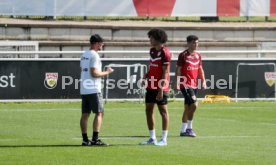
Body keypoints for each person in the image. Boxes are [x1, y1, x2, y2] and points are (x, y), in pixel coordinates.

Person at [80, 34, 114, 146]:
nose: (102, 45)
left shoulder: (84, 54)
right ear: (96, 43)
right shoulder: (95, 55)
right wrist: (107, 72)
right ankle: (95, 139)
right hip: (93, 89)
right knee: (100, 113)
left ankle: (85, 140)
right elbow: (94, 73)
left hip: (84, 88)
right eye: (101, 43)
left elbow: (82, 69)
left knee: (85, 114)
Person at [140, 29, 171, 146]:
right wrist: (146, 76)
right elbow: (153, 66)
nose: (150, 40)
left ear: (158, 39)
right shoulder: (152, 51)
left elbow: (165, 72)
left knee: (163, 112)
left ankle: (164, 139)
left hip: (161, 86)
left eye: (152, 38)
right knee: (148, 110)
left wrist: (161, 89)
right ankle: (152, 138)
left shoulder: (165, 53)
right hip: (151, 85)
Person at [175, 35, 206, 137]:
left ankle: (183, 130)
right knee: (194, 104)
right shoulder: (183, 55)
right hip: (185, 84)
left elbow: (200, 69)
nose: (196, 44)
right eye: (193, 42)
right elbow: (178, 70)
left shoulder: (198, 55)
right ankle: (189, 128)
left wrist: (203, 81)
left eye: (197, 42)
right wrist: (177, 83)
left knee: (188, 107)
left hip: (194, 85)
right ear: (188, 43)